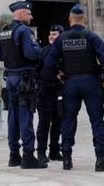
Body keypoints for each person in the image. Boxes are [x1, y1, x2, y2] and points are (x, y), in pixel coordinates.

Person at [44, 4, 104, 172]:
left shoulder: (62, 39)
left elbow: (48, 62)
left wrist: (61, 74)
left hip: (70, 83)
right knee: (97, 121)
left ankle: (67, 159)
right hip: (91, 83)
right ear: (85, 19)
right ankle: (101, 159)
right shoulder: (92, 37)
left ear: (70, 20)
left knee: (69, 119)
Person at [0, 1, 47, 169]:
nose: (31, 17)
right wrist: (40, 50)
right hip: (24, 79)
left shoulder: (4, 32)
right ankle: (28, 156)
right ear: (19, 14)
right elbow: (32, 54)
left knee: (13, 116)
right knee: (25, 116)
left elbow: (0, 56)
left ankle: (14, 155)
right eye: (29, 14)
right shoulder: (24, 31)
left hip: (10, 77)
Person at [36, 24, 64, 164]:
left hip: (59, 90)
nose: (51, 37)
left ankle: (54, 150)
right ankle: (41, 152)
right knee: (44, 122)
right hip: (45, 90)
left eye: (55, 34)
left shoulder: (65, 52)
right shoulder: (44, 51)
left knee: (58, 122)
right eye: (50, 34)